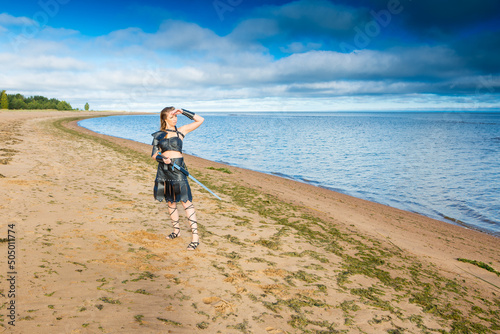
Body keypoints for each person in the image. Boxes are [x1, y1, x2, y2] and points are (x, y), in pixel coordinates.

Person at [151, 106, 204, 250]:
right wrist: (163, 159)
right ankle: (176, 231)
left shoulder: (181, 131)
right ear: (164, 119)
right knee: (171, 202)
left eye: (176, 116)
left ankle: (195, 237)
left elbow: (200, 120)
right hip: (164, 170)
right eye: (172, 117)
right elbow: (154, 155)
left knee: (186, 202)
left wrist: (183, 111)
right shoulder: (158, 135)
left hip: (179, 170)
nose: (175, 119)